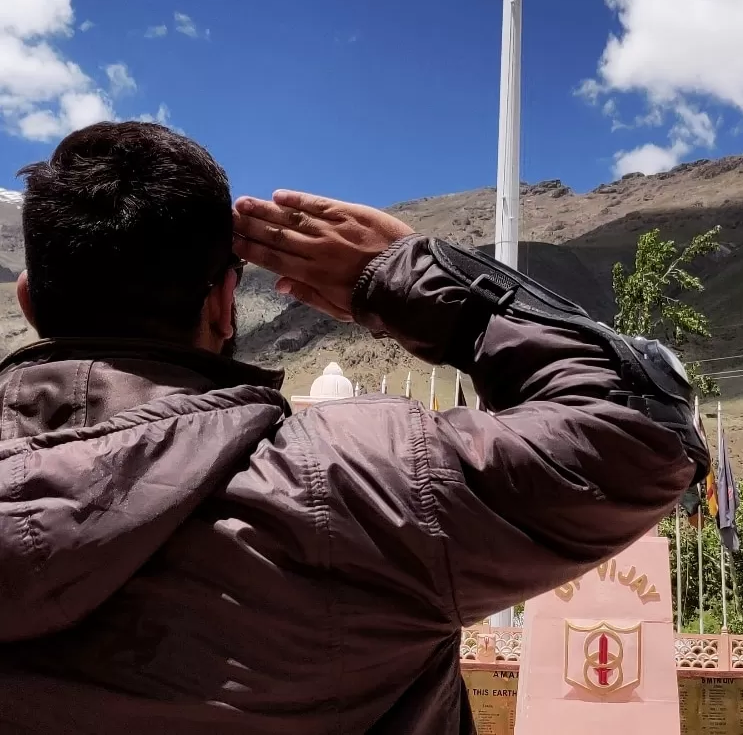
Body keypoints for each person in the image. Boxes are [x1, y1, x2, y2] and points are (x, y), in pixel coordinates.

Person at [0, 121, 706, 734]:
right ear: (223, 302)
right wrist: (419, 285)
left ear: (30, 302)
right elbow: (641, 424)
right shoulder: (354, 487)